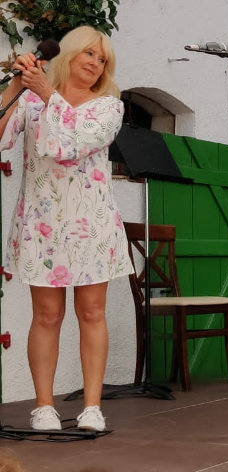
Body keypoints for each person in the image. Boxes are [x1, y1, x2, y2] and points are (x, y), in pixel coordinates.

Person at [0, 26, 131, 432]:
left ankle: (92, 407)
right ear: (69, 53)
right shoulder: (30, 100)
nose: (96, 63)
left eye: (102, 59)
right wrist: (16, 87)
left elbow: (72, 143)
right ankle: (43, 407)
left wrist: (44, 93)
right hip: (42, 224)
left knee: (91, 312)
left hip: (91, 224)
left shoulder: (108, 107)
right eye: (89, 53)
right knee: (47, 315)